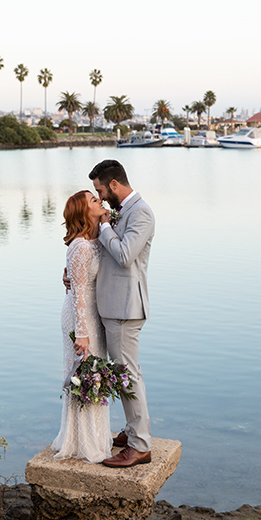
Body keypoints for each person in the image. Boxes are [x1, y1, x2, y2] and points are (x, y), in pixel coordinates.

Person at [90, 159, 155, 468]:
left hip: (126, 306)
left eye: (101, 191)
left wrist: (103, 225)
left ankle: (141, 445)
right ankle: (132, 432)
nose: (100, 199)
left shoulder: (141, 213)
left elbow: (125, 255)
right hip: (115, 304)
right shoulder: (123, 212)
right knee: (127, 372)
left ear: (114, 185)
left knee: (128, 375)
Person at [52, 190, 113, 463]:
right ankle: (80, 442)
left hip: (95, 315)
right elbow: (77, 290)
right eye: (93, 200)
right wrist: (83, 333)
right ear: (83, 212)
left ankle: (98, 436)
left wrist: (108, 221)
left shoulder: (98, 239)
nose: (99, 201)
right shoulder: (79, 245)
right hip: (80, 317)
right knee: (84, 374)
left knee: (96, 376)